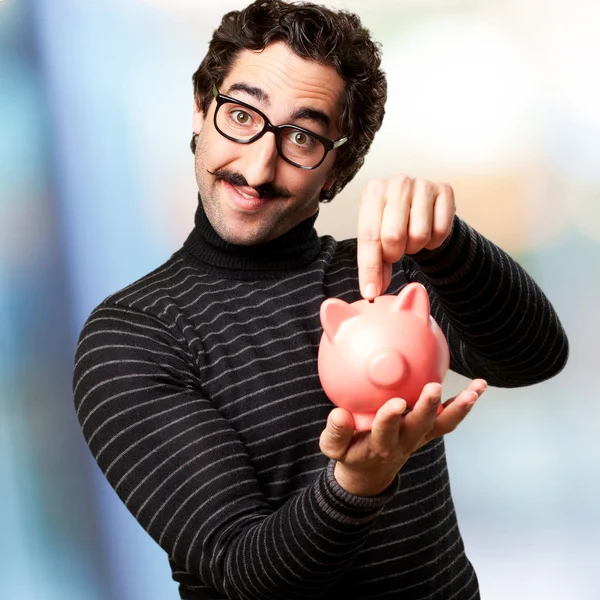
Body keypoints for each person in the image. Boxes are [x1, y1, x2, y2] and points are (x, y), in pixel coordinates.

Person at [72, 1, 569, 599]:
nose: (257, 167)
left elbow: (533, 357)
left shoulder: (381, 275)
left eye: (303, 137)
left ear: (338, 168)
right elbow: (244, 573)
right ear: (202, 111)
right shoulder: (133, 337)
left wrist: (447, 243)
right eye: (241, 114)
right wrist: (358, 483)